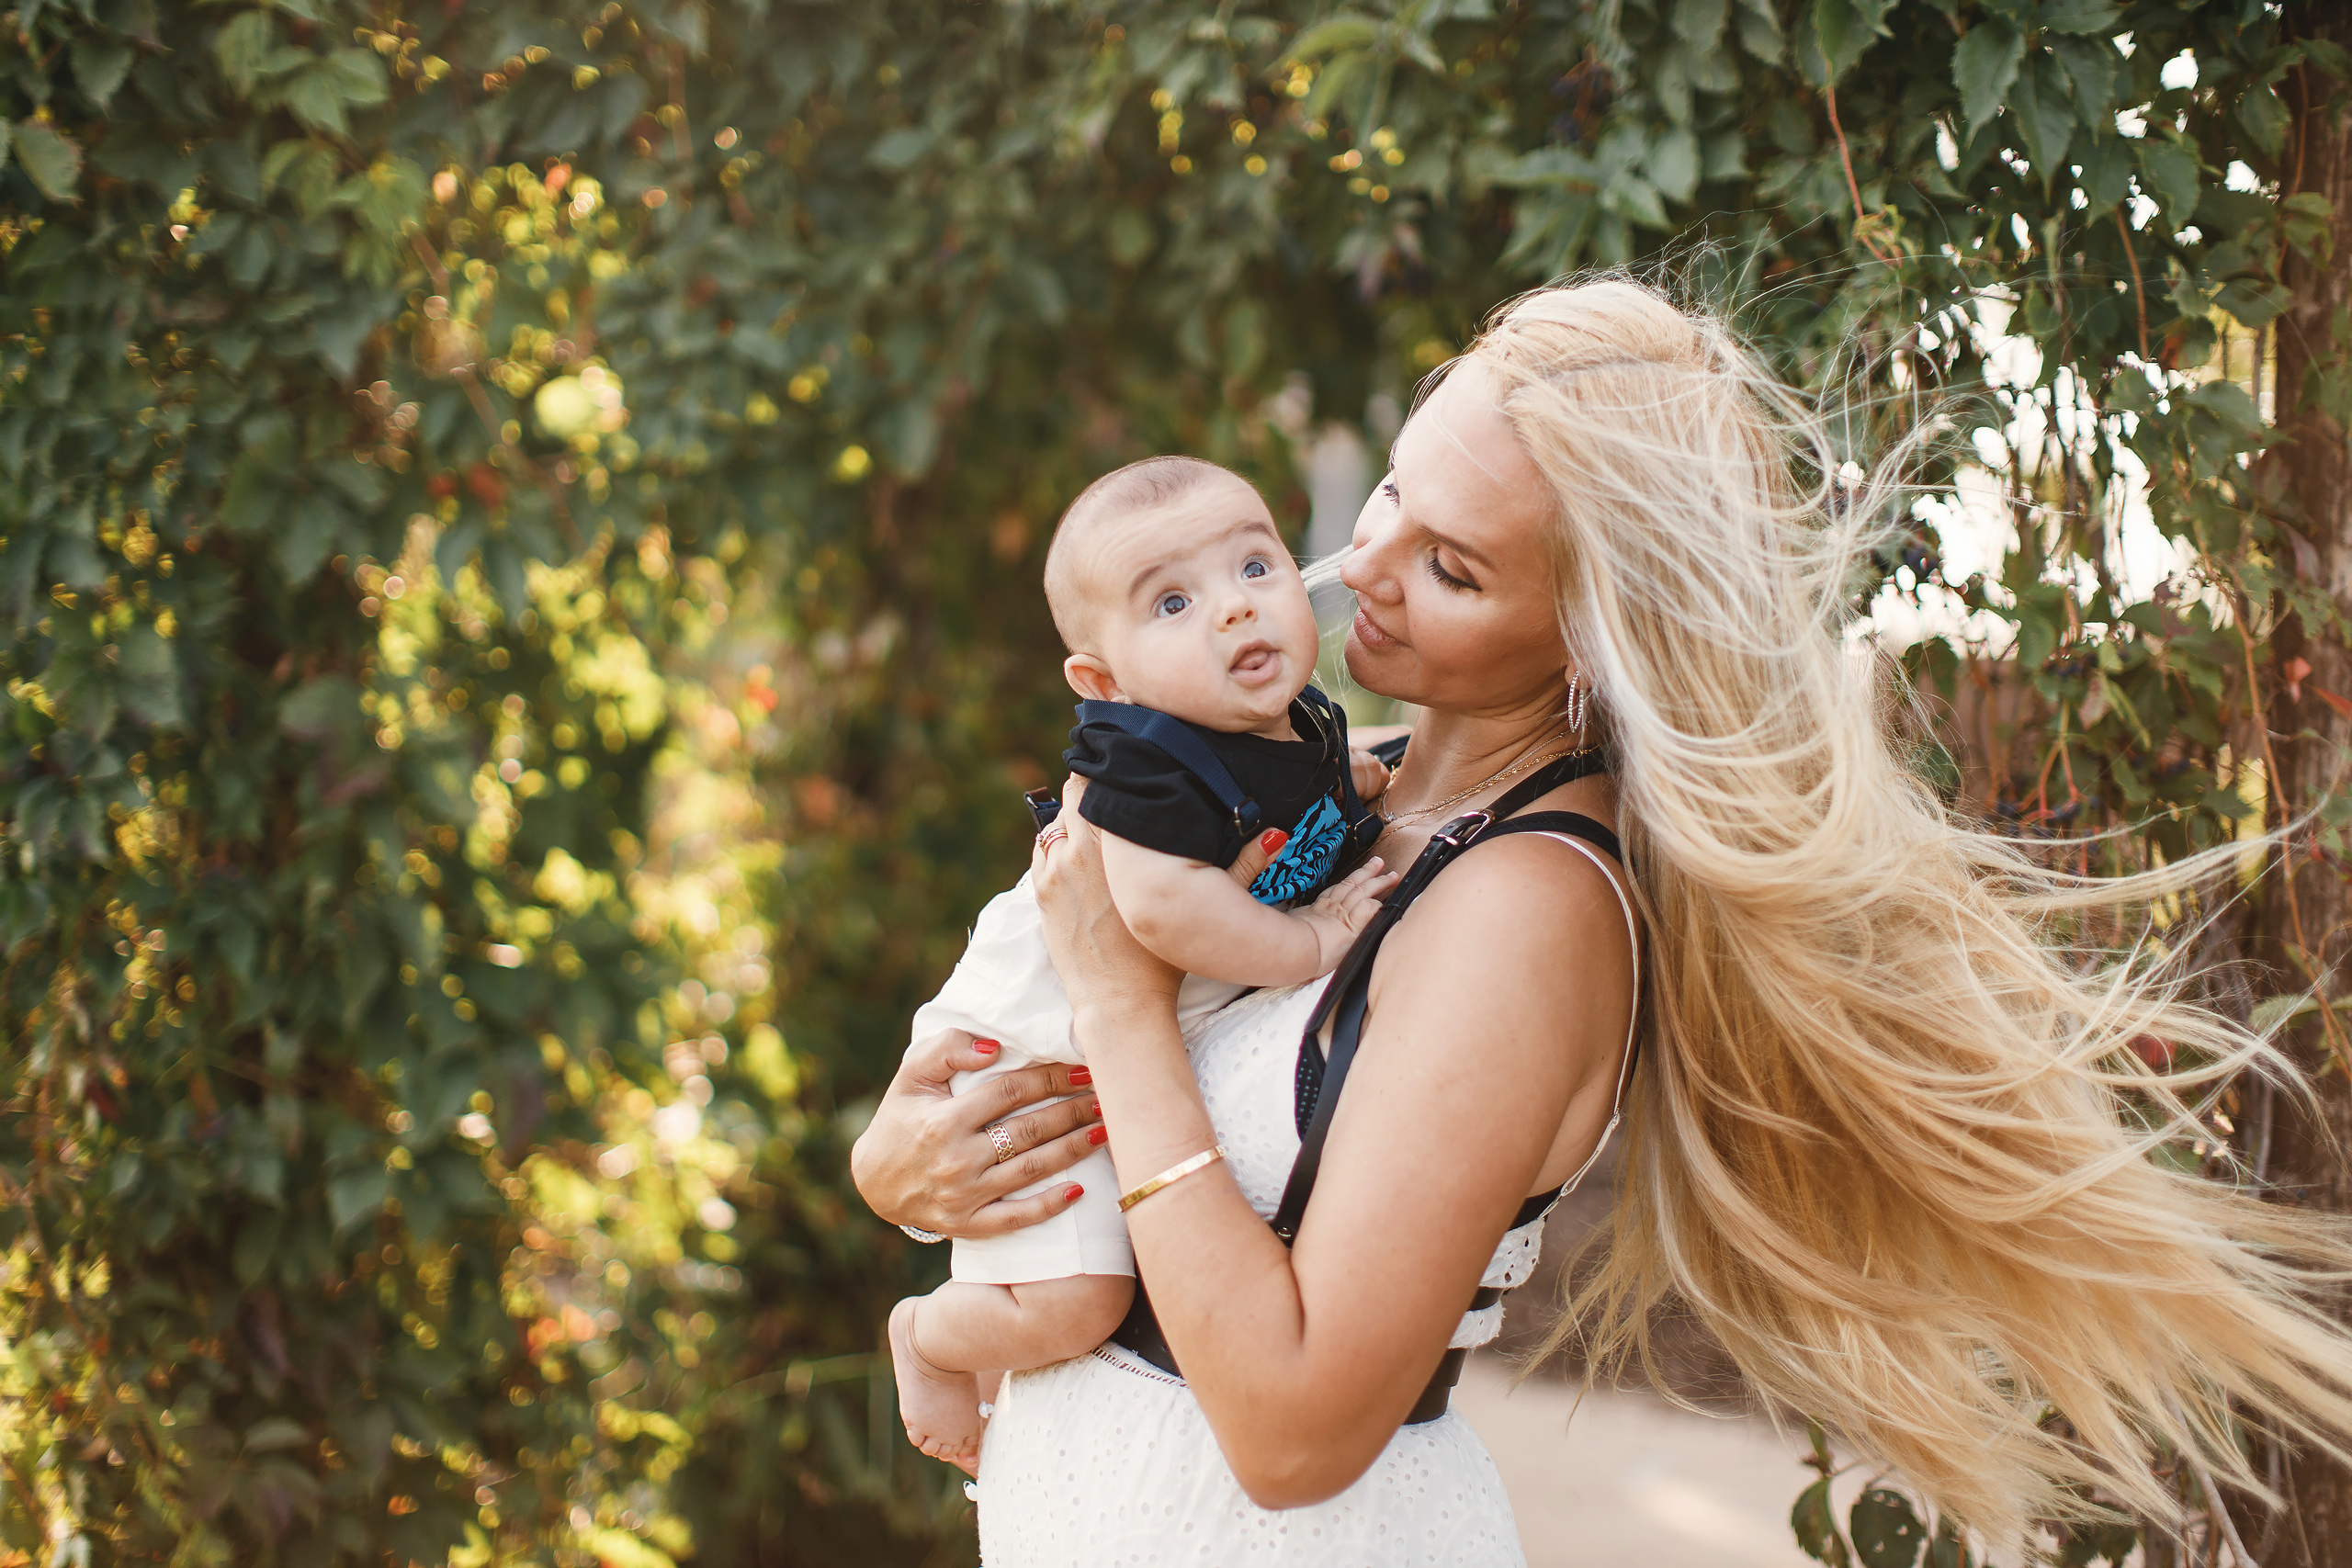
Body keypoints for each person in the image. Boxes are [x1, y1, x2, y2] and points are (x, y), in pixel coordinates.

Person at [852, 279, 2352, 1565]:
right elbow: (1048, 1034)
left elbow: (1296, 1427)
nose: (1366, 563)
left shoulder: (1527, 911)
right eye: (1392, 492)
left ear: (1589, 642)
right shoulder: (1349, 791)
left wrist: (1118, 1013)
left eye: (1454, 567)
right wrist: (905, 1168)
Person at [888, 456, 1399, 1467]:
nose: (1232, 612)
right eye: (1172, 601)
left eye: (1255, 568)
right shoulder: (1145, 766)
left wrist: (1373, 778)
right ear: (1104, 683)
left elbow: (1331, 785)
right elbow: (1166, 911)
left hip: (1117, 1039)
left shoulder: (1286, 721)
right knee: (1079, 1302)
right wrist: (1309, 940)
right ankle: (929, 1336)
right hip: (1030, 1049)